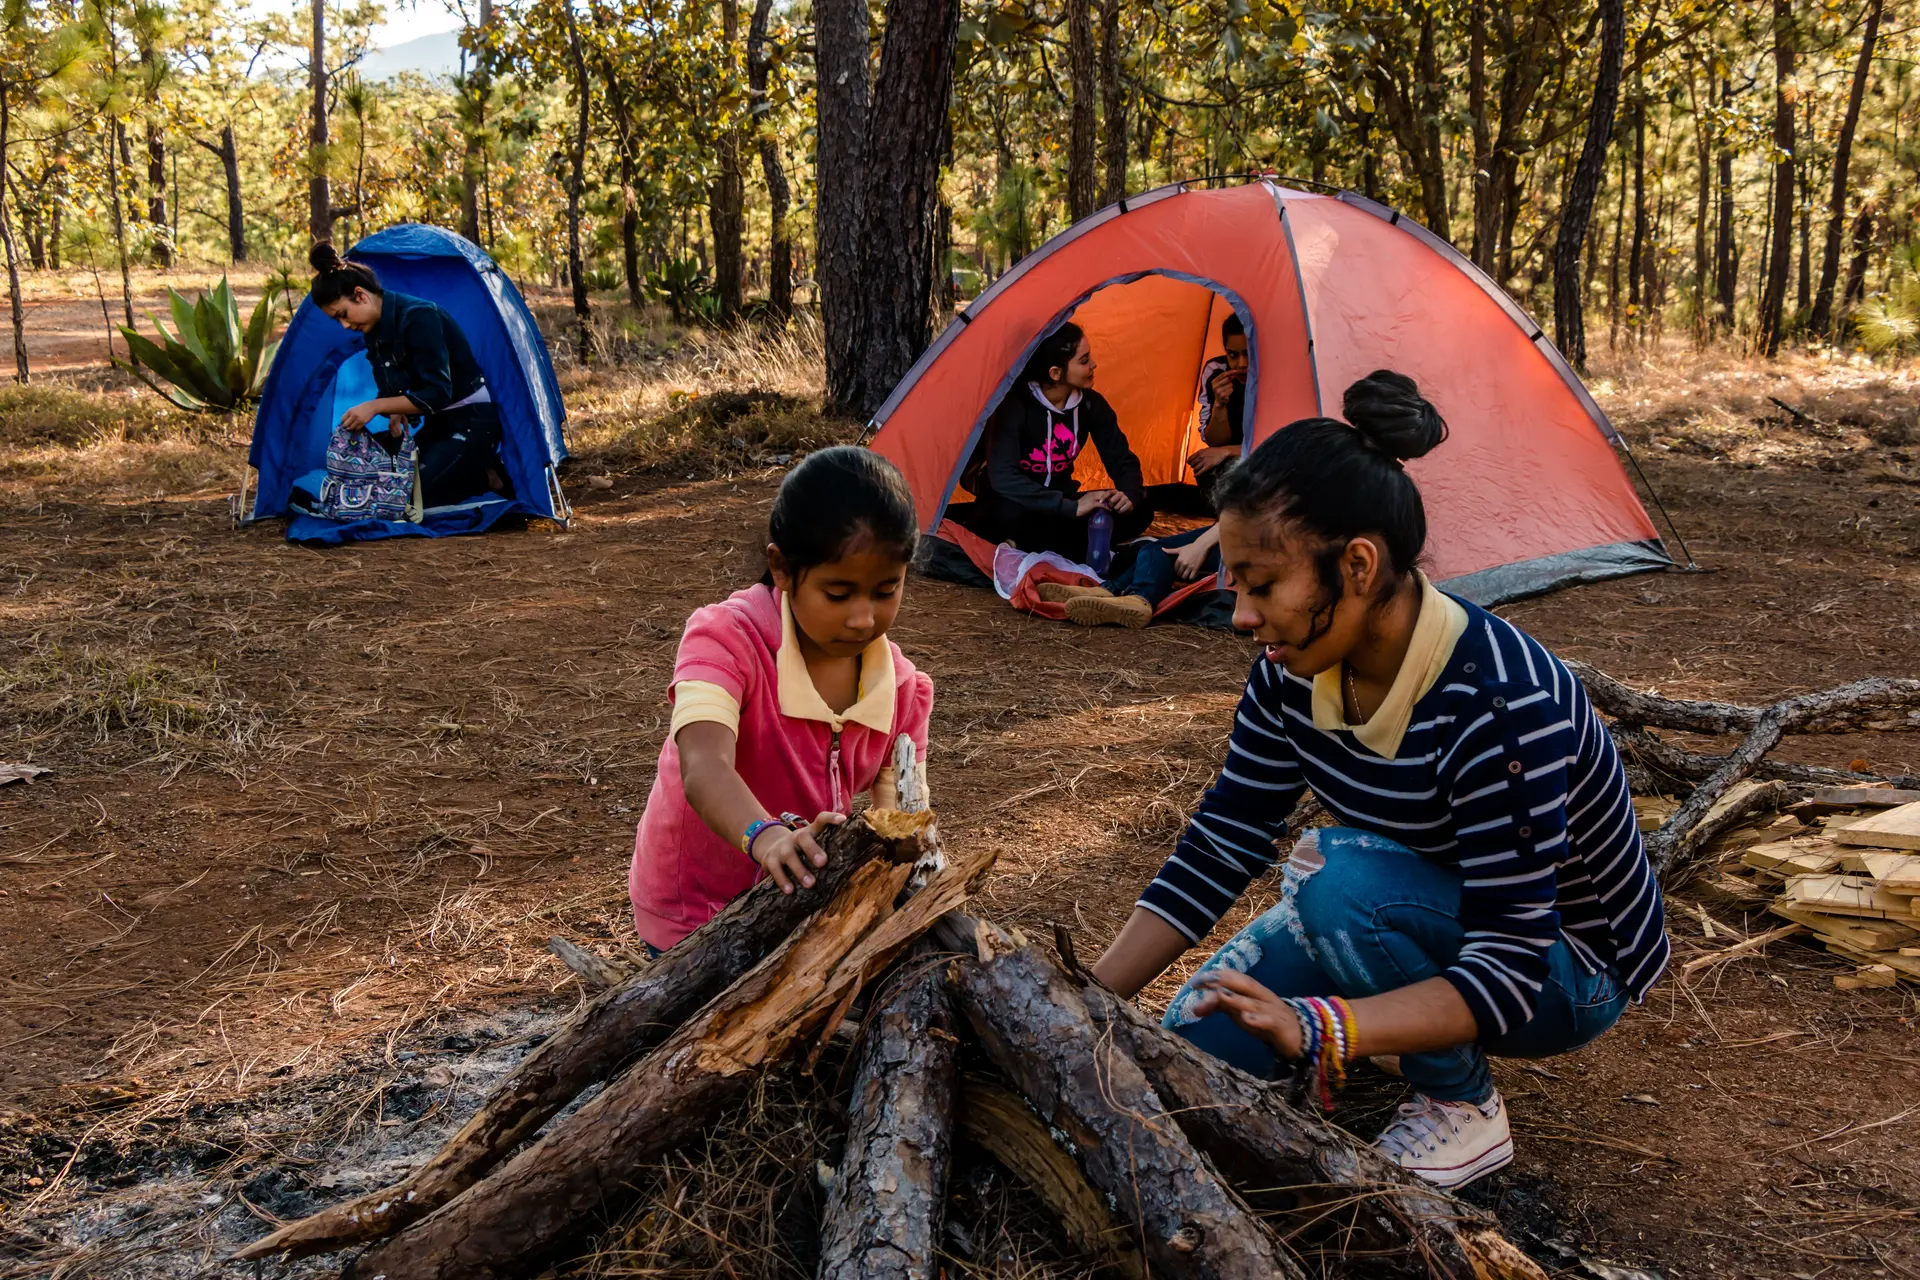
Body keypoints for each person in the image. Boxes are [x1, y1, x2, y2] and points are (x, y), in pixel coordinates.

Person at [1090, 371, 1668, 1189]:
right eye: (1236, 584)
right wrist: (1087, 998)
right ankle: (1389, 1014)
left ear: (1358, 565)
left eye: (1263, 585)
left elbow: (1508, 963)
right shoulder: (1290, 673)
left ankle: (1460, 1104)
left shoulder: (1498, 704)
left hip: (1562, 965)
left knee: (1332, 878)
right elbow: (1224, 838)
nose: (1242, 615)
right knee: (1196, 1043)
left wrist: (1323, 1028)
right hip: (1407, 904)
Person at [629, 447, 934, 952]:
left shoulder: (902, 690)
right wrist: (765, 837)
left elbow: (900, 822)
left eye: (885, 591)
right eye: (838, 594)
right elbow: (702, 766)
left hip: (798, 911)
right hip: (694, 915)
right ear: (782, 569)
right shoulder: (727, 641)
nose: (863, 618)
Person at [308, 242, 509, 507]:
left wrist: (375, 406)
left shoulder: (419, 317)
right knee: (384, 483)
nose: (345, 325)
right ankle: (461, 467)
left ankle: (488, 476)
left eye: (343, 315)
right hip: (438, 423)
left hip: (472, 421)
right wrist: (394, 410)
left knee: (405, 496)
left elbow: (438, 393)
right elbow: (391, 385)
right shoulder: (372, 330)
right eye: (338, 320)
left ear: (360, 295)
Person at [951, 322, 1152, 562]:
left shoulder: (1091, 405)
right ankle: (1066, 545)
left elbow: (1121, 459)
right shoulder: (1014, 406)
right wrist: (1071, 508)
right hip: (1013, 502)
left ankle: (1030, 545)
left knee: (1141, 508)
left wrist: (1128, 493)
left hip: (1061, 502)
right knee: (1008, 517)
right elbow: (1003, 477)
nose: (1093, 364)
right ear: (1055, 373)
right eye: (1084, 360)